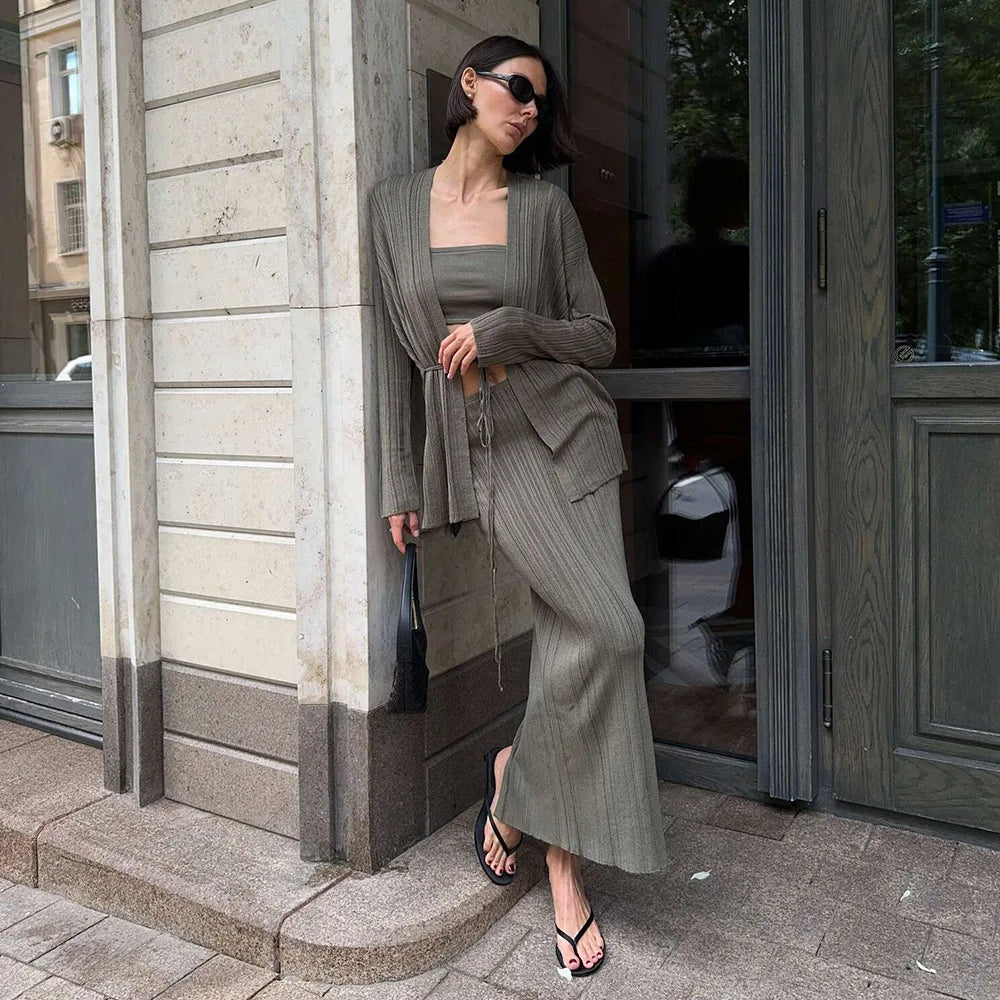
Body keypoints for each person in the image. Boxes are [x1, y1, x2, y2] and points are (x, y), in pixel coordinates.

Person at [369, 34, 668, 978]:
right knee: (590, 636)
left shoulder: (543, 211)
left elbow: (598, 337)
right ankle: (524, 802)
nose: (532, 110)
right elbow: (391, 359)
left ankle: (542, 838)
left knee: (605, 634)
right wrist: (401, 482)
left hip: (564, 440)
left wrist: (509, 326)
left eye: (543, 103)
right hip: (479, 453)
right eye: (520, 90)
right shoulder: (390, 209)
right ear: (469, 86)